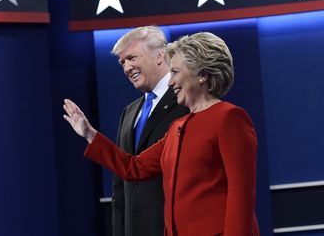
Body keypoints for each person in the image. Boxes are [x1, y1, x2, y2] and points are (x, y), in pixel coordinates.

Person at [63, 32, 260, 236]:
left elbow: (241, 195)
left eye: (175, 72)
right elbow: (134, 168)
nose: (171, 82)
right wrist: (89, 134)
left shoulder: (229, 118)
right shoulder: (177, 127)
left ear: (202, 75)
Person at [108, 26, 189, 236]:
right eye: (122, 62)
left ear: (160, 56)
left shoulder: (186, 101)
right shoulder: (128, 112)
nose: (127, 67)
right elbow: (120, 185)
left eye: (132, 58)